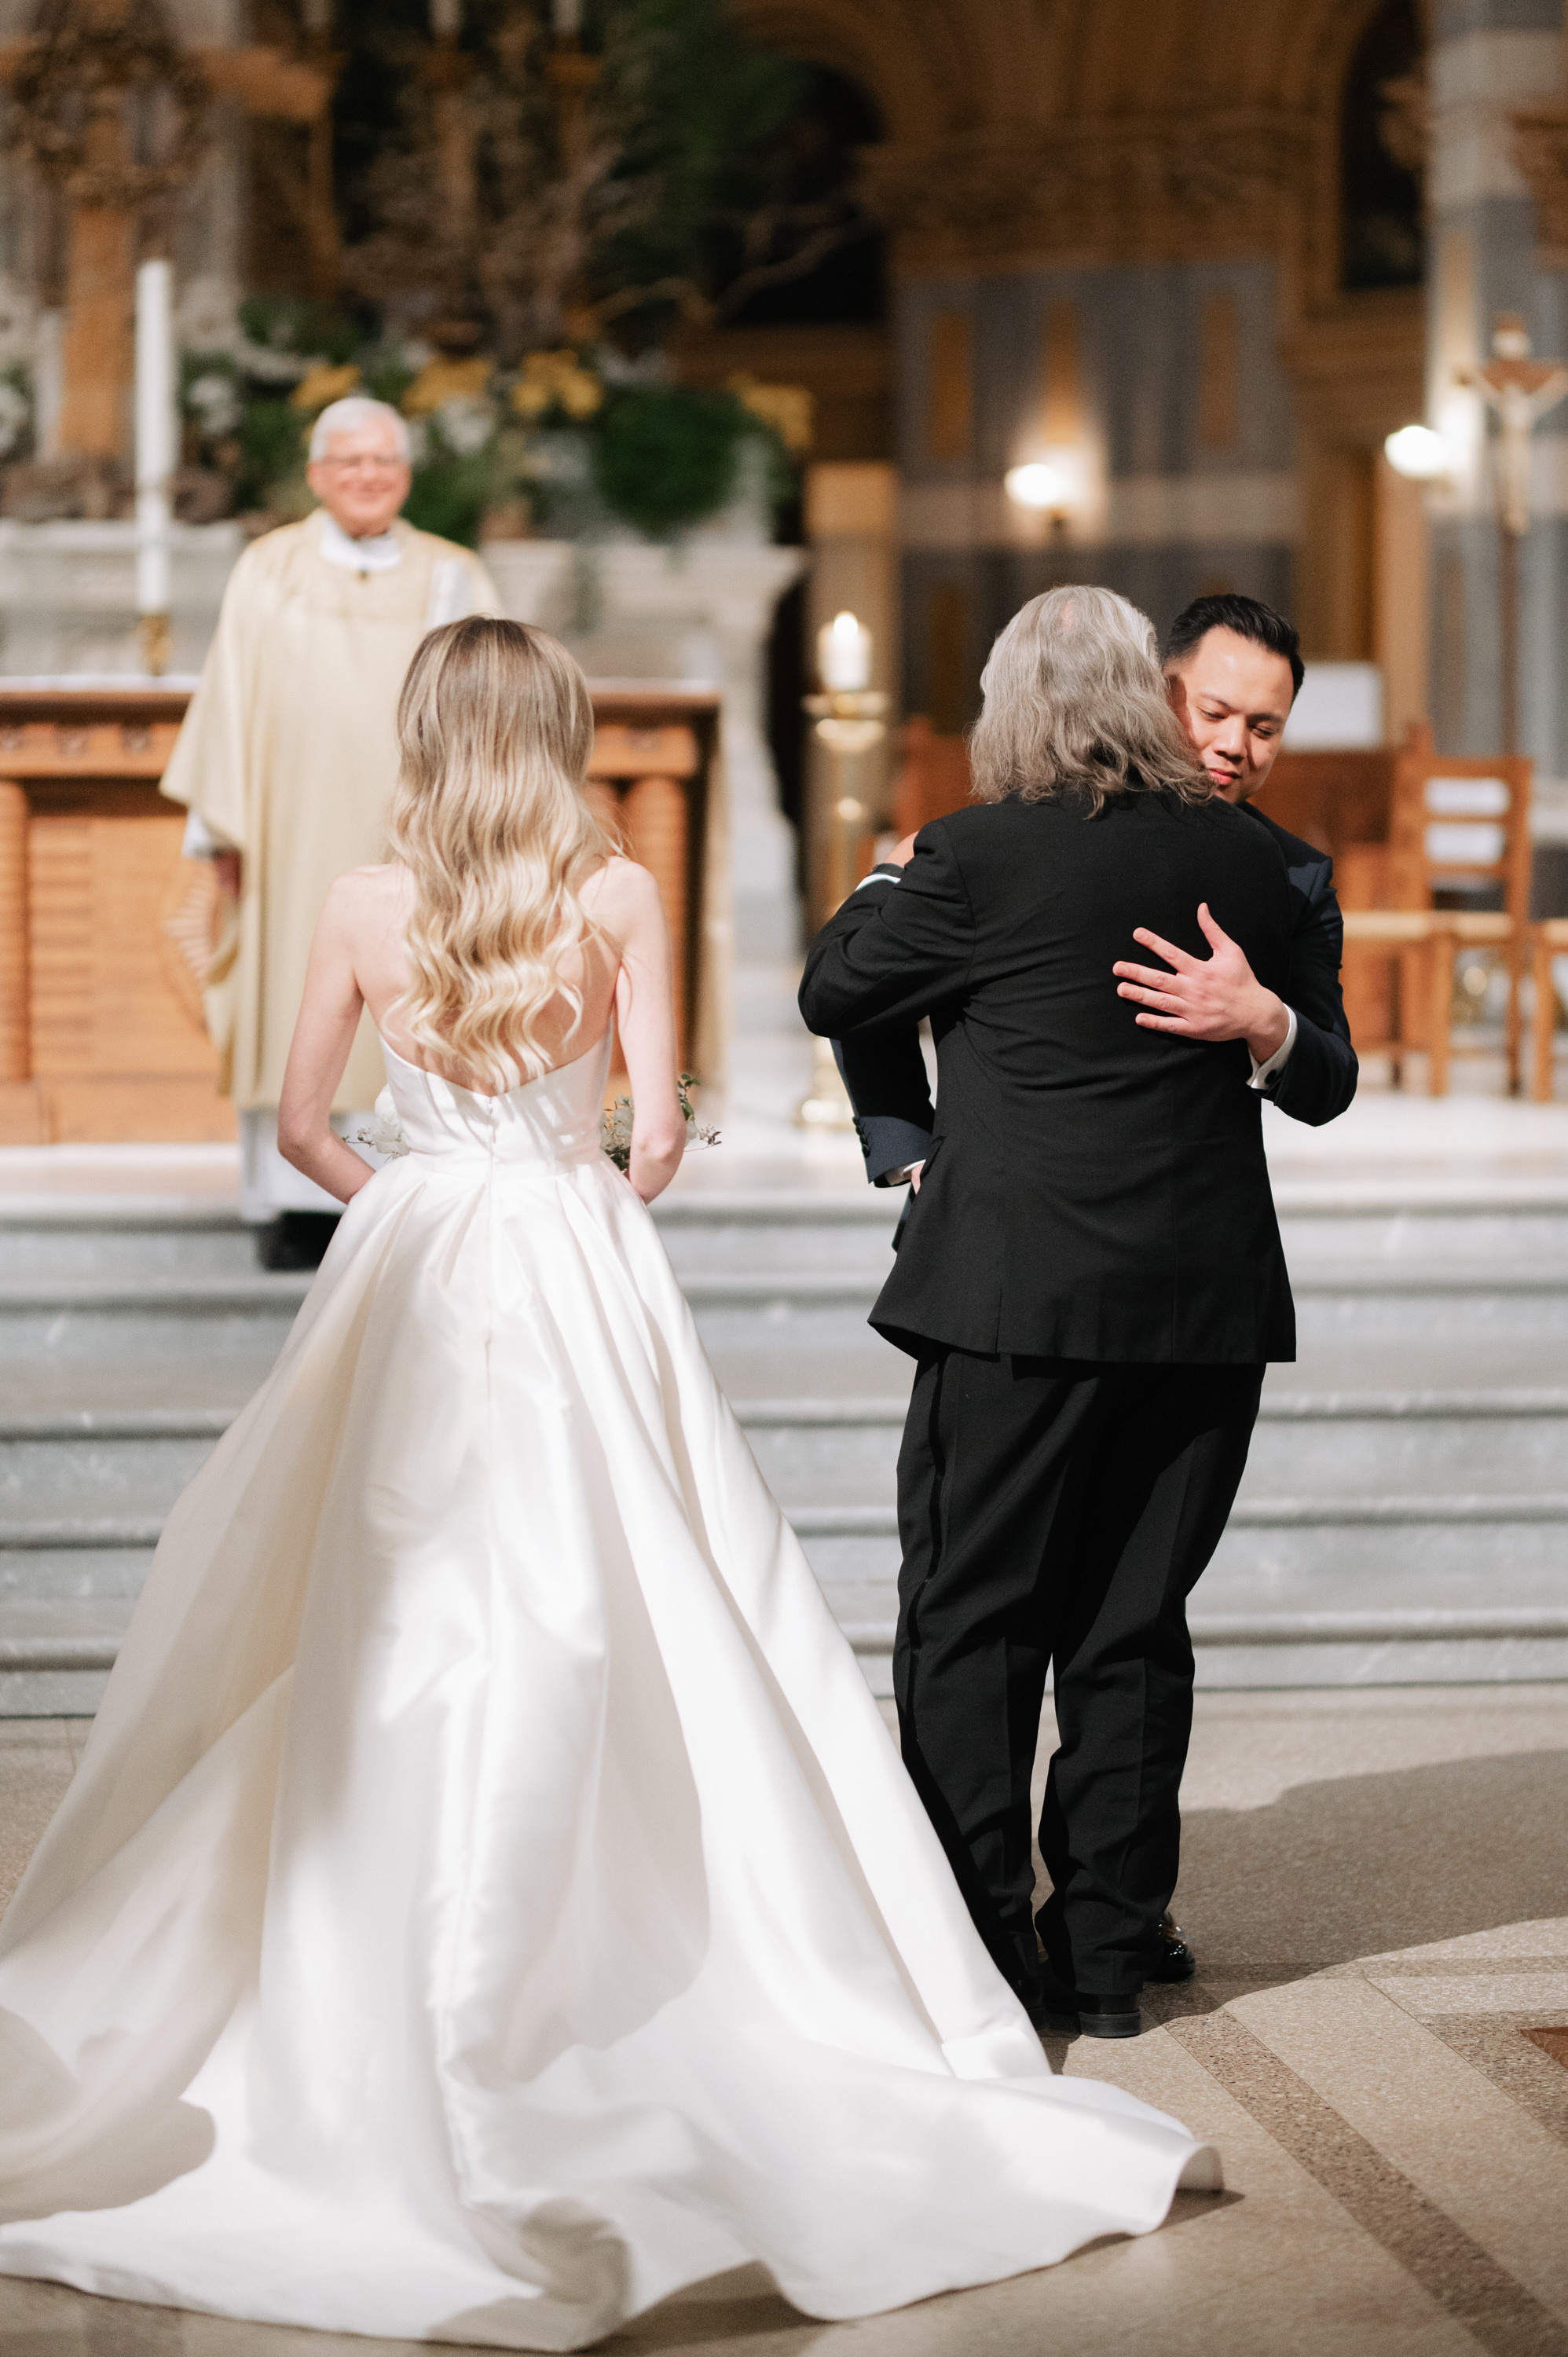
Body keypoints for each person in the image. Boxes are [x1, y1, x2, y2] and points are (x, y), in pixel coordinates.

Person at [0, 617, 1218, 2348]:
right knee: (642, 1579)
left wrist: (414, 1192)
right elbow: (654, 1135)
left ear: (422, 731)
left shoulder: (357, 900)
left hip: (418, 1248)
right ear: (559, 730)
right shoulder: (621, 892)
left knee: (381, 1593)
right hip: (571, 1250)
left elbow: (297, 1128)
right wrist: (571, 1184)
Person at [799, 587, 1298, 2040]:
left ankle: (977, 1950)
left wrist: (894, 874)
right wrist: (1267, 1018)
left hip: (1016, 1299)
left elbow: (841, 988)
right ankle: (1107, 1951)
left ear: (1010, 709)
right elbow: (1315, 1059)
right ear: (1148, 699)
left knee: (971, 1617)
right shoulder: (1257, 862)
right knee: (1134, 1623)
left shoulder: (969, 857)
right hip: (1201, 1305)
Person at [843, 592, 1354, 1197]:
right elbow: (860, 983)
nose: (1235, 745)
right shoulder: (1030, 836)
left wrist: (1263, 1019)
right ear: (1154, 693)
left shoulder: (1295, 876)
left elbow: (1330, 1082)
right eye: (1213, 714)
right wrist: (908, 1145)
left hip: (1183, 1228)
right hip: (1008, 1213)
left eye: (1264, 728)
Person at [160, 394, 499, 1270]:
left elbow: (492, 700)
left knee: (419, 988)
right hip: (289, 830)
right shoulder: (269, 568)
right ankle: (295, 1205)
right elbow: (230, 698)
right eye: (349, 462)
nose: (367, 477)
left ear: (407, 475)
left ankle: (417, 1187)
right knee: (295, 990)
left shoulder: (451, 573)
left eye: (384, 461)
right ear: (316, 476)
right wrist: (220, 834)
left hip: (422, 833)